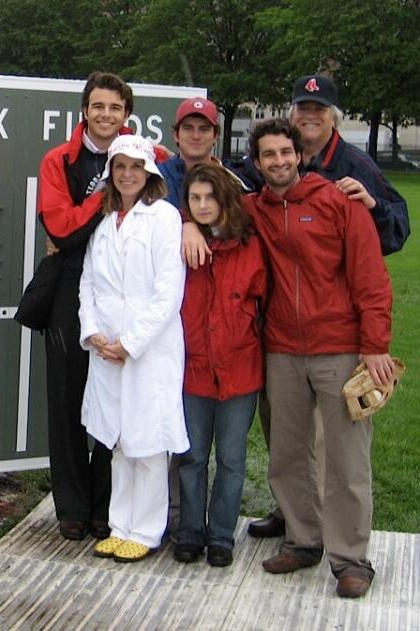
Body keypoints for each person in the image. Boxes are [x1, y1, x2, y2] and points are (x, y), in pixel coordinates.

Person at [243, 74, 410, 540]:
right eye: (302, 108)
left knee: (342, 453)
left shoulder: (352, 174)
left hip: (337, 335)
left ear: (331, 118)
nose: (309, 116)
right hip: (281, 341)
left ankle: (349, 552)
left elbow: (388, 242)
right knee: (288, 447)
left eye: (318, 110)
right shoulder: (258, 193)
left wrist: (372, 206)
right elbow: (214, 193)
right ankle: (300, 529)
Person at [35, 71, 137, 541]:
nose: (106, 116)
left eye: (115, 108)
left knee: (117, 398)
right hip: (70, 286)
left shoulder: (143, 157)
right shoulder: (59, 161)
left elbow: (185, 183)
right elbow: (61, 230)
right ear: (84, 111)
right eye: (98, 106)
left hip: (122, 289)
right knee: (69, 399)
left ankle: (107, 504)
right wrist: (104, 196)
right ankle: (72, 505)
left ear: (126, 115)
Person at [78, 135, 188, 563]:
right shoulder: (104, 224)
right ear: (110, 173)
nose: (127, 174)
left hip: (148, 351)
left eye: (135, 167)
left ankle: (146, 530)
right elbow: (88, 282)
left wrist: (131, 342)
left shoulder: (163, 218)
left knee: (147, 443)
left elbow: (167, 292)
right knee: (119, 442)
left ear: (149, 174)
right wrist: (94, 334)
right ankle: (119, 525)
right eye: (119, 166)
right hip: (106, 351)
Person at [173, 163, 266, 568]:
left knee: (230, 459)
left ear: (225, 198)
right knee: (192, 456)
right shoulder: (180, 242)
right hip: (194, 369)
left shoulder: (250, 247)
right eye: (195, 198)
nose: (203, 205)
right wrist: (183, 224)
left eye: (210, 197)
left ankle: (222, 534)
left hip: (240, 370)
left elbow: (263, 302)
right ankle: (190, 529)